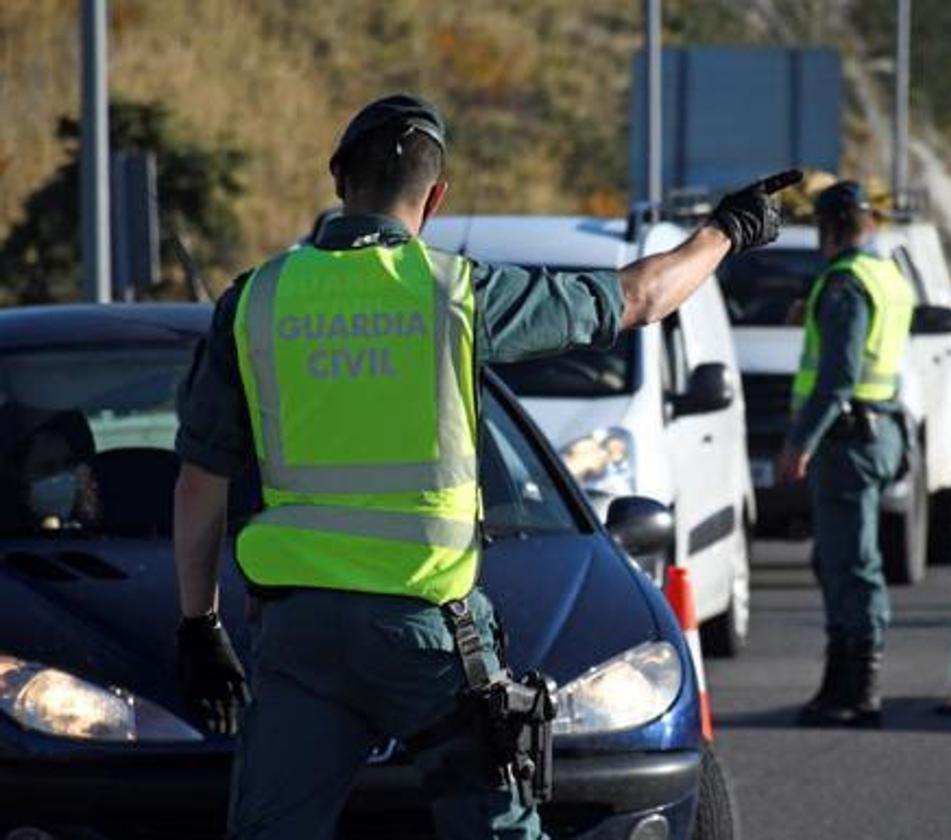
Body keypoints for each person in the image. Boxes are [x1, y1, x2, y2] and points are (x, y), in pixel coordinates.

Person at [172, 93, 791, 839]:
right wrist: (727, 230)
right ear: (436, 198)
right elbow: (641, 297)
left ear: (337, 178)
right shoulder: (455, 292)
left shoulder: (255, 301)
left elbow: (200, 481)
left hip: (300, 634)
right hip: (426, 636)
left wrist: (198, 626)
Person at [776, 181, 915, 728]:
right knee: (842, 559)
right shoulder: (885, 275)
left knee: (850, 563)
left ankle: (856, 691)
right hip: (880, 431)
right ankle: (844, 683)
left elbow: (837, 379)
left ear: (832, 228)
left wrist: (799, 442)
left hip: (847, 440)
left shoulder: (845, 284)